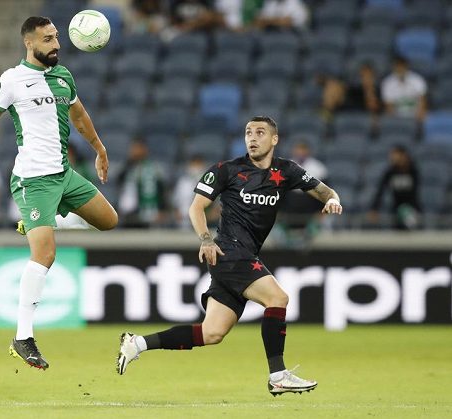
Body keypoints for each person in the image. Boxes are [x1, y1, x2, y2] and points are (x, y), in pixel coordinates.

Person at [0, 16, 118, 370]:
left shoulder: (64, 77)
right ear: (29, 44)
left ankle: (40, 224)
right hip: (33, 180)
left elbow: (79, 116)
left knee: (109, 220)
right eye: (48, 39)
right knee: (45, 255)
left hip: (64, 174)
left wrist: (99, 149)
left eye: (57, 37)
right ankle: (23, 336)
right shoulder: (11, 80)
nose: (57, 44)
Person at [116, 116, 343, 396]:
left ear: (274, 139)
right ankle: (278, 375)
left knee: (211, 333)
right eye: (249, 132)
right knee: (278, 298)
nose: (253, 137)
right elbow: (196, 208)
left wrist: (333, 199)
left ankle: (137, 344)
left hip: (241, 256)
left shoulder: (286, 170)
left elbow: (322, 190)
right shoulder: (226, 170)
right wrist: (205, 239)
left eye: (260, 132)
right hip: (229, 252)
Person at [117, 139, 168, 228]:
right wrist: (130, 161)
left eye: (138, 148)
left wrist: (162, 209)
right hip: (128, 212)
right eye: (134, 149)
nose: (136, 151)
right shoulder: (128, 167)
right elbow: (119, 180)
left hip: (148, 211)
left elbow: (160, 189)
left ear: (145, 150)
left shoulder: (153, 168)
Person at [368, 145, 421, 230]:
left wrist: (415, 210)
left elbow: (415, 194)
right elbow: (380, 191)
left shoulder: (413, 171)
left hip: (412, 209)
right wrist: (374, 208)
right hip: (396, 210)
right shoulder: (390, 173)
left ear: (403, 156)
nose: (392, 158)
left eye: (395, 155)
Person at [381, 55, 428, 122]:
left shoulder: (417, 80)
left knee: (424, 115)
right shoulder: (387, 83)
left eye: (402, 67)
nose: (400, 70)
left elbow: (423, 102)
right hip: (397, 116)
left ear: (406, 67)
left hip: (415, 114)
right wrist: (397, 121)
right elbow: (389, 107)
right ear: (394, 68)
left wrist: (418, 118)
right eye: (397, 67)